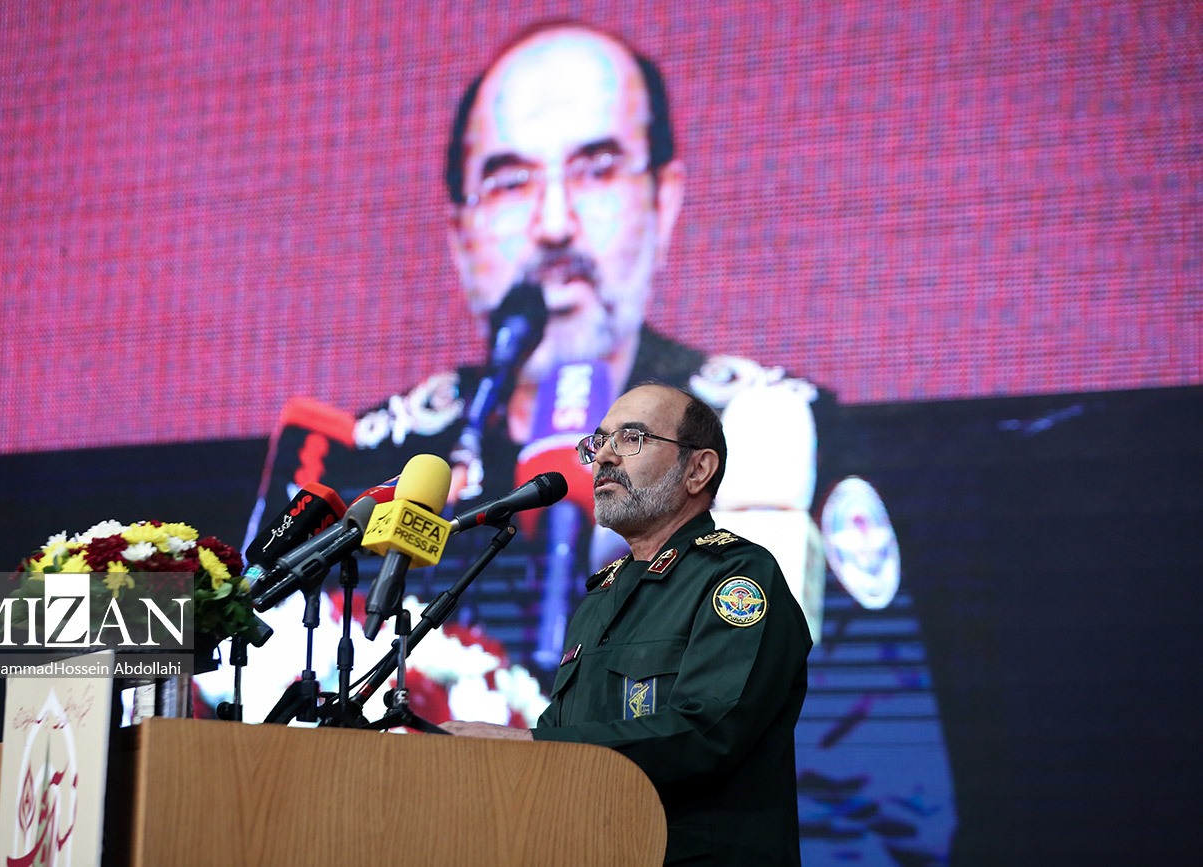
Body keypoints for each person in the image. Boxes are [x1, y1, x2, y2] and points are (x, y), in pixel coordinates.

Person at [209, 20, 957, 864]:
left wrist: (530, 751)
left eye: (597, 169)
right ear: (460, 232)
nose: (555, 223)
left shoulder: (778, 471)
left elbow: (869, 810)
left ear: (662, 201)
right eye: (510, 181)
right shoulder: (382, 461)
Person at [442, 383, 812, 866]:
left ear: (698, 470)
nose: (603, 457)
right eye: (599, 442)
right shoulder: (601, 594)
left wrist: (523, 743)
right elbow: (560, 735)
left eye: (632, 438)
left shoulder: (737, 576)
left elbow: (708, 734)